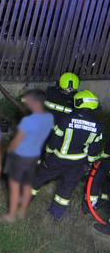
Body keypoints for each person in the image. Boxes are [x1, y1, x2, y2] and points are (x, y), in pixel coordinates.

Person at [31, 90, 104, 220]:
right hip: (78, 163)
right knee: (67, 188)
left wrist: (48, 151)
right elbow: (94, 149)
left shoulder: (67, 119)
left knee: (39, 176)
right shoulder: (97, 127)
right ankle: (56, 215)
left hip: (58, 159)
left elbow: (55, 139)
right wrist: (89, 163)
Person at [0, 90, 54, 223]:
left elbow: (17, 141)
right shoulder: (49, 118)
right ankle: (21, 211)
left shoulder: (28, 121)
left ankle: (11, 214)